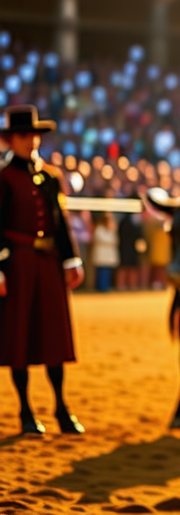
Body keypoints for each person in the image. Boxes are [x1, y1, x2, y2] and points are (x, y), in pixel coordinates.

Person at [0, 105, 85, 435]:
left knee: (53, 335)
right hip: (18, 263)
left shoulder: (51, 177)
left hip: (48, 263)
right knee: (19, 336)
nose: (30, 142)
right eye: (23, 136)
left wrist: (70, 258)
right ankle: (25, 411)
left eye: (33, 135)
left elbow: (59, 223)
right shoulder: (3, 179)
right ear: (11, 140)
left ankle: (61, 407)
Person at [116, 210, 146, 291]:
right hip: (125, 248)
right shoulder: (127, 221)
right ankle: (122, 286)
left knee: (132, 268)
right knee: (124, 267)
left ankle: (131, 286)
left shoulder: (134, 221)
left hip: (132, 249)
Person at [90, 211, 119, 292]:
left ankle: (106, 287)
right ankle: (101, 288)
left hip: (109, 255)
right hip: (101, 254)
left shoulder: (112, 229)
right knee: (102, 273)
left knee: (108, 272)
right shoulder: (99, 229)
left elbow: (115, 240)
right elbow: (103, 240)